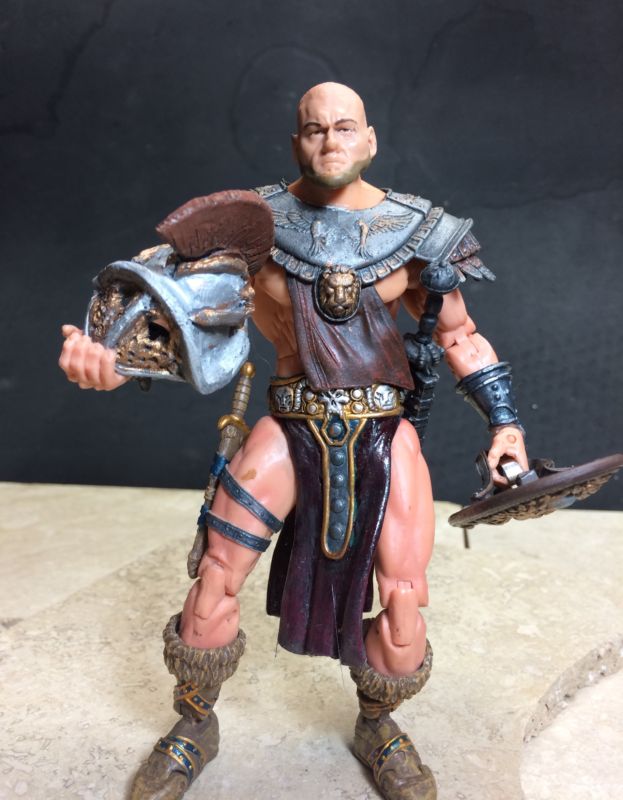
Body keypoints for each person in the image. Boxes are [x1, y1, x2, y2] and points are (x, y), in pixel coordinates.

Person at [59, 82, 528, 800]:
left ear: (369, 138)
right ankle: (193, 724)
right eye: (314, 129)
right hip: (288, 427)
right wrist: (111, 364)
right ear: (295, 141)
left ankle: (378, 724)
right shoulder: (251, 229)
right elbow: (170, 313)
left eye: (344, 127)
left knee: (404, 606)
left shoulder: (418, 232)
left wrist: (505, 424)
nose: (330, 140)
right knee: (214, 580)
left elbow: (460, 335)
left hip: (384, 432)